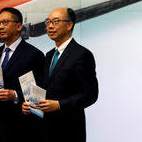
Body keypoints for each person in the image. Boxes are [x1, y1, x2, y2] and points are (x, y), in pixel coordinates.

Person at [22, 8, 99, 142]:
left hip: (69, 131)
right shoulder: (49, 55)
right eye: (48, 22)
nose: (50, 26)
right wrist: (30, 104)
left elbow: (90, 94)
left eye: (56, 22)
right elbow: (45, 88)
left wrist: (59, 105)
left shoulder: (82, 54)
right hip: (45, 130)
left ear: (69, 25)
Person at [0, 7, 45, 142]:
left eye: (5, 22)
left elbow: (40, 91)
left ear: (19, 26)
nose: (0, 27)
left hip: (24, 127)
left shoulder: (34, 54)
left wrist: (14, 95)